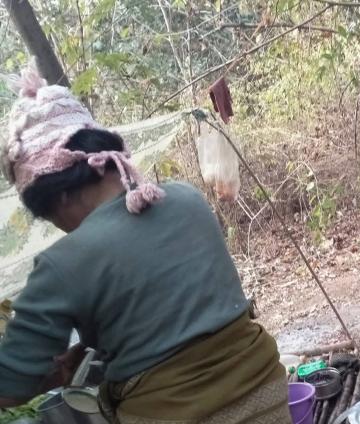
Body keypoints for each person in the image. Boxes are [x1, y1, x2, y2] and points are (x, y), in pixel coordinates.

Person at [0, 64, 291, 423]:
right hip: (265, 393)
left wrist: (52, 376)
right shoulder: (187, 198)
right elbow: (177, 316)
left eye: (50, 219)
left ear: (57, 197)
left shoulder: (62, 264)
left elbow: (10, 385)